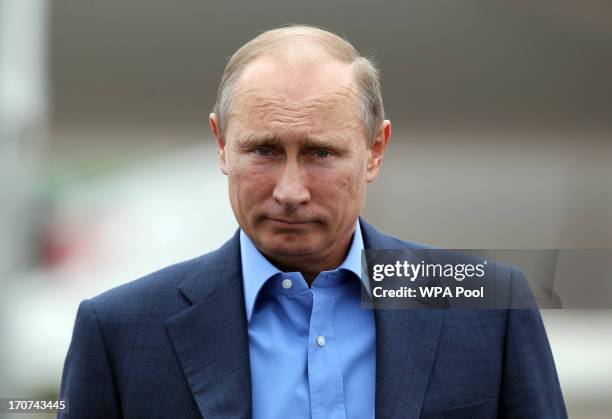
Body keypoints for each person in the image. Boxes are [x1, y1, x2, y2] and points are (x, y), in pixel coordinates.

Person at [59, 25, 567, 418]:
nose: (290, 191)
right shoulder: (119, 332)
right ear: (221, 144)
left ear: (375, 151)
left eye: (321, 153)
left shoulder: (488, 308)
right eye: (263, 150)